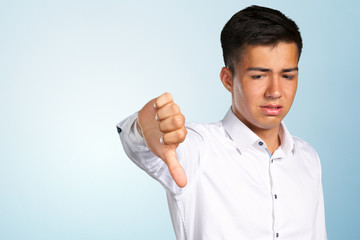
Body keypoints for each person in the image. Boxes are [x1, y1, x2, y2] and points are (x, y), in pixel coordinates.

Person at [117, 5, 327, 240]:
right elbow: (145, 148)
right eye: (259, 75)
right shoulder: (198, 149)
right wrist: (141, 128)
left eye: (287, 75)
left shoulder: (309, 158)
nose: (275, 91)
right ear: (228, 79)